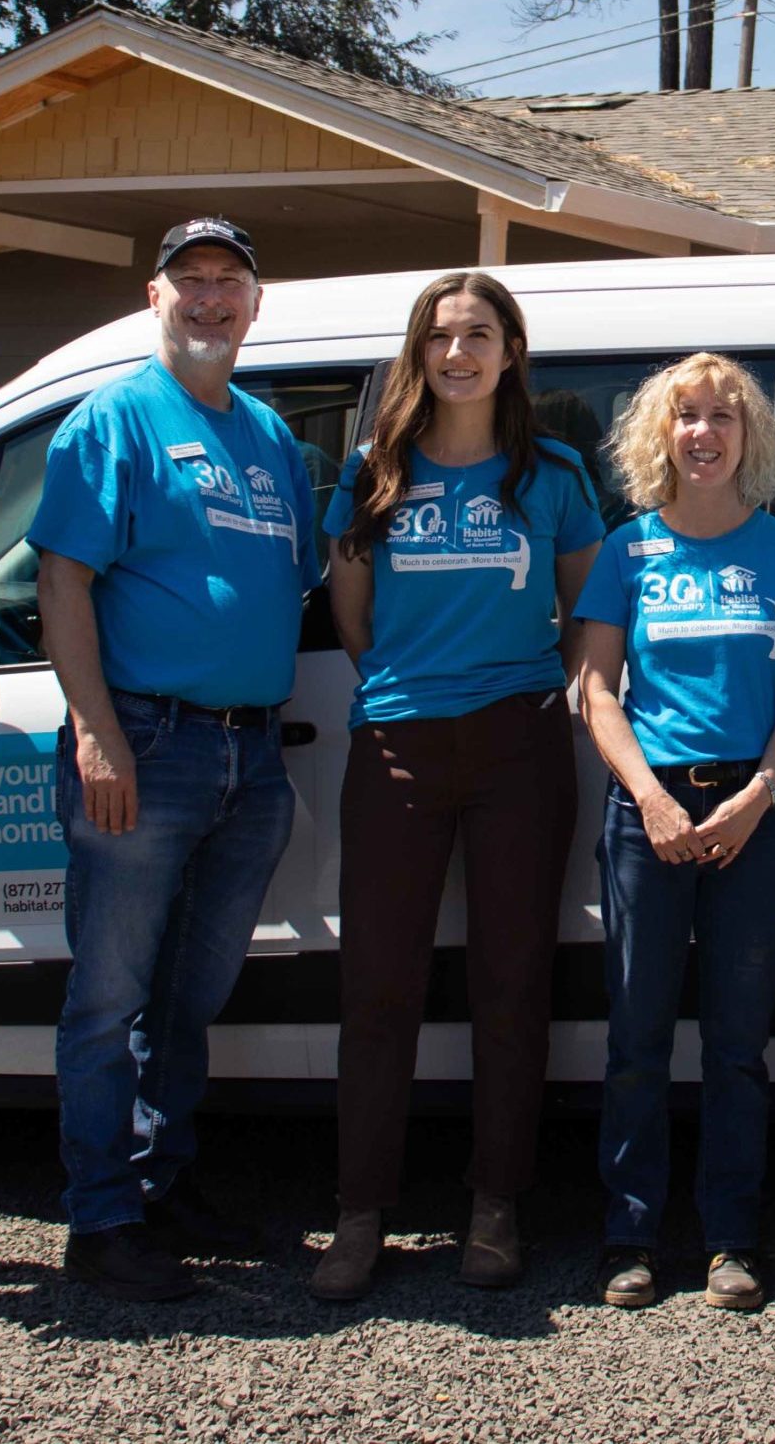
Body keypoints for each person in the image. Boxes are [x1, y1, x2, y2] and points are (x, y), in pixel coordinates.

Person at [31, 219, 321, 1301]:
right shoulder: (114, 420)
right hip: (146, 745)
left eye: (228, 283)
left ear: (256, 303)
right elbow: (61, 582)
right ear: (154, 297)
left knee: (185, 1000)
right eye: (190, 282)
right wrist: (98, 732)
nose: (210, 301)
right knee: (108, 1001)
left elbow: (294, 577)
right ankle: (101, 1222)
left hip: (251, 754)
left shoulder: (267, 435)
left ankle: (162, 1187)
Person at [311, 272, 604, 1299]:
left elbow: (586, 620)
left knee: (511, 985)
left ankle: (494, 1205)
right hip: (395, 743)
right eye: (440, 337)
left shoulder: (555, 474)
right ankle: (360, 1215)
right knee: (377, 989)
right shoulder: (372, 471)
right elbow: (352, 620)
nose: (458, 353)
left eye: (480, 334)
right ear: (418, 353)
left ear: (511, 351)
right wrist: (413, 685)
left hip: (518, 745)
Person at [572, 353, 775, 1313]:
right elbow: (595, 689)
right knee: (637, 1035)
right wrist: (650, 797)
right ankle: (629, 1234)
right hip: (650, 814)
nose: (705, 431)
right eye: (686, 416)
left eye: (724, 415)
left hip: (751, 816)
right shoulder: (627, 550)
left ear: (749, 436)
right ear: (660, 434)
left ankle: (731, 1239)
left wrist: (763, 793)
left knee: (736, 1042)